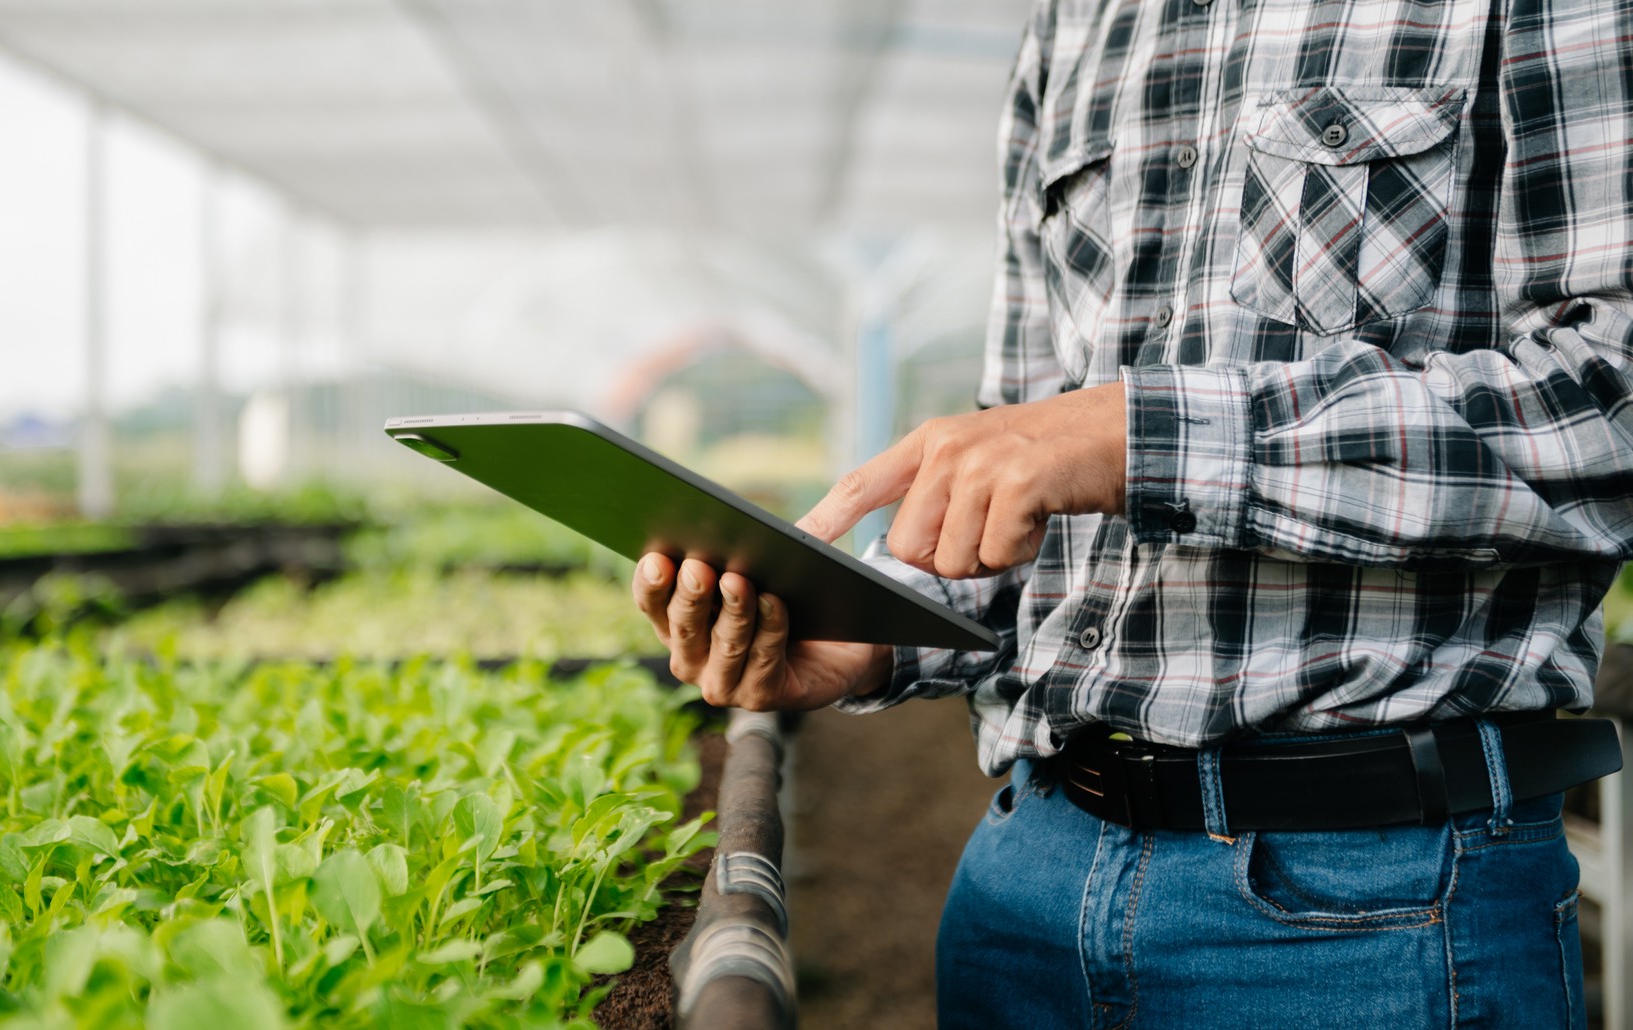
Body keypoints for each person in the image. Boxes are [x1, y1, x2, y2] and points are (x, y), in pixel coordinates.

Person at [632, 0, 1633, 1024]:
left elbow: (1611, 402)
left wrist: (1137, 436)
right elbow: (1029, 473)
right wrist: (875, 633)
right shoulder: (1077, 24)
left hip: (1371, 907)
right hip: (1031, 875)